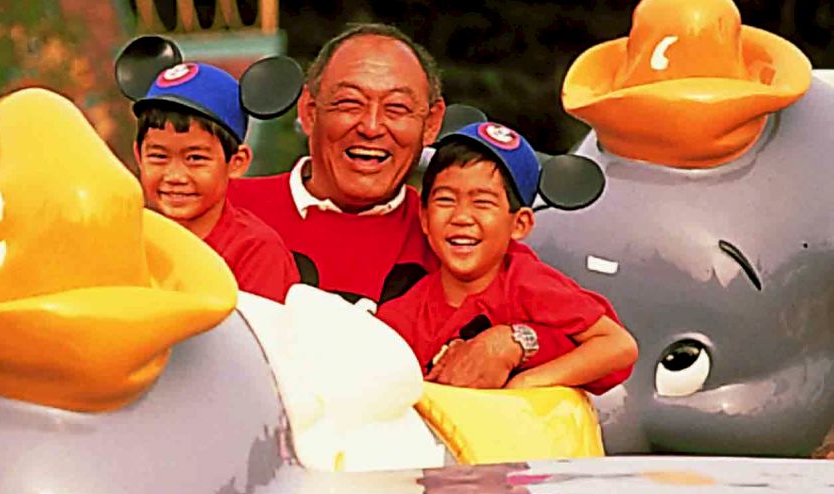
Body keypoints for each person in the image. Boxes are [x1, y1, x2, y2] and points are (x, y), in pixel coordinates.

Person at [229, 23, 608, 391]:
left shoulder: (455, 235)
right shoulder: (227, 209)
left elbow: (598, 348)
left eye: (397, 109)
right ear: (309, 111)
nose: (372, 126)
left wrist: (514, 342)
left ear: (431, 123)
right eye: (349, 103)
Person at [378, 122, 637, 392]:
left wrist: (526, 382)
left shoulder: (529, 283)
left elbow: (618, 346)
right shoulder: (403, 314)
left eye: (483, 202)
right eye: (445, 200)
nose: (462, 217)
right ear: (424, 217)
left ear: (520, 224)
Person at [132, 62, 299, 302]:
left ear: (237, 162)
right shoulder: (127, 238)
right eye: (158, 157)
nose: (175, 176)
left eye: (195, 158)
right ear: (138, 155)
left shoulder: (255, 250)